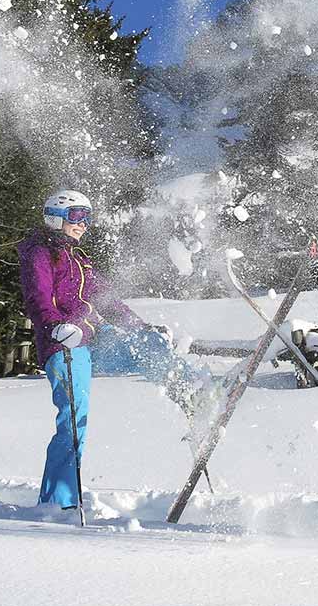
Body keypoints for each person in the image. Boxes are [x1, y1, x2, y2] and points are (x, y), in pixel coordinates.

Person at [19, 189, 206, 509]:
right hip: (64, 346)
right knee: (74, 422)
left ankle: (195, 390)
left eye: (87, 218)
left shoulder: (79, 260)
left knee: (145, 345)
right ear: (56, 217)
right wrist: (57, 328)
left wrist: (142, 328)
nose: (83, 224)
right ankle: (57, 502)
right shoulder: (41, 253)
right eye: (76, 216)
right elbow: (38, 298)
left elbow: (109, 301)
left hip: (93, 340)